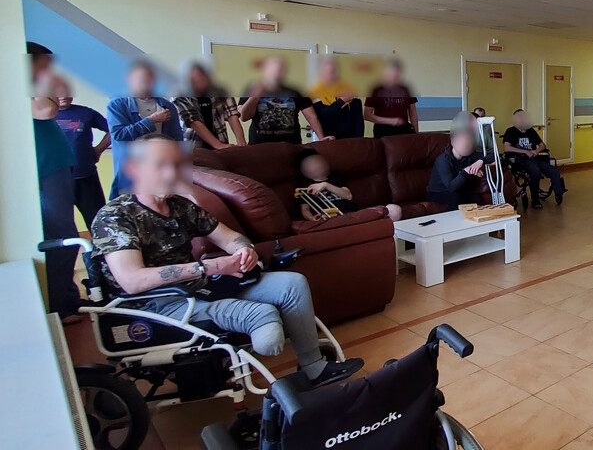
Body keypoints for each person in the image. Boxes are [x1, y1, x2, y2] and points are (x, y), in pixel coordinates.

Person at [90, 134, 363, 386]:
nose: (172, 173)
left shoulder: (180, 206)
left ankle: (314, 368)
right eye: (161, 165)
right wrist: (211, 266)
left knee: (292, 284)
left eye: (176, 164)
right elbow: (132, 281)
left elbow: (230, 237)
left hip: (196, 289)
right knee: (265, 326)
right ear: (134, 169)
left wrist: (244, 251)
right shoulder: (115, 216)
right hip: (157, 304)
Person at [30, 42, 81, 323]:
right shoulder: (23, 88)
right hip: (43, 169)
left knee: (63, 233)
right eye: (44, 65)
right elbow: (47, 110)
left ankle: (65, 299)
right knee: (61, 235)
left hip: (56, 166)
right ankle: (60, 305)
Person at [107, 60, 183, 198]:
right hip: (130, 172)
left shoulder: (167, 105)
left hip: (162, 170)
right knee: (126, 206)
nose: (146, 82)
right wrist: (151, 121)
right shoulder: (117, 105)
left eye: (149, 78)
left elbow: (177, 139)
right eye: (141, 78)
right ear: (130, 79)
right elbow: (119, 135)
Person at [239, 56, 332, 144]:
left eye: (280, 69)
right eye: (273, 69)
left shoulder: (295, 92)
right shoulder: (251, 89)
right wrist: (255, 97)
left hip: (291, 146)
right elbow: (243, 117)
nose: (276, 73)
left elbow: (311, 116)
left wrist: (321, 138)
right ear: (265, 70)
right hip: (259, 147)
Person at [296, 149, 403, 221]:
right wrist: (311, 218)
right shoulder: (304, 185)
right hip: (332, 218)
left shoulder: (335, 177)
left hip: (354, 213)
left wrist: (326, 185)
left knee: (395, 210)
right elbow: (305, 209)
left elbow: (348, 196)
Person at [55, 92, 111, 227]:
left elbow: (113, 130)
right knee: (60, 227)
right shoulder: (41, 117)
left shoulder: (86, 113)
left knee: (98, 222)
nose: (63, 96)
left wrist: (99, 149)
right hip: (56, 181)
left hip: (86, 178)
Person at [174, 60, 246, 149]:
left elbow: (232, 114)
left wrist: (241, 142)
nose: (199, 81)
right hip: (193, 146)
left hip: (220, 140)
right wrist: (218, 145)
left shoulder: (219, 91)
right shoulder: (180, 94)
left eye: (201, 77)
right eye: (194, 80)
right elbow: (194, 121)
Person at [502, 109, 565, 208]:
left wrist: (536, 151)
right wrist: (525, 151)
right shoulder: (510, 131)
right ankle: (535, 199)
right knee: (535, 172)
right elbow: (507, 147)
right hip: (520, 160)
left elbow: (542, 145)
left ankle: (558, 193)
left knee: (554, 172)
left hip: (534, 158)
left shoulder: (530, 131)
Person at [427, 112, 488, 211]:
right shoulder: (443, 161)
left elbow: (493, 155)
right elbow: (451, 187)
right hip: (438, 192)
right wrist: (465, 172)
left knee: (476, 198)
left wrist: (480, 161)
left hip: (459, 190)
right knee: (455, 198)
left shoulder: (469, 154)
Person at [308, 56, 363, 140]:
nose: (332, 75)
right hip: (329, 139)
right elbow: (322, 116)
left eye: (334, 71)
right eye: (328, 71)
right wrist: (342, 100)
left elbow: (358, 120)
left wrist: (359, 140)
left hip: (350, 140)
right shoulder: (315, 91)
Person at [364, 58, 418, 138]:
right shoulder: (376, 90)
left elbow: (413, 113)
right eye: (392, 74)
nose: (394, 77)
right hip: (383, 130)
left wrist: (416, 134)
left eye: (396, 74)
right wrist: (390, 121)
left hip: (403, 130)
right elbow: (366, 115)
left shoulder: (406, 89)